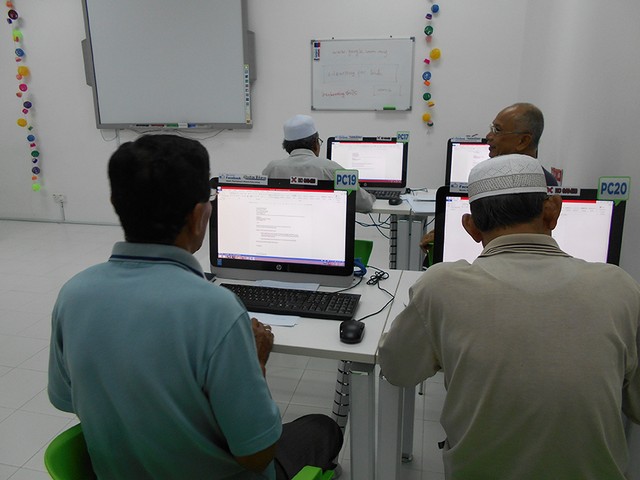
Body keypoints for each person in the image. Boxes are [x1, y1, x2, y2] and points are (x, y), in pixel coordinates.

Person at [48, 134, 342, 480]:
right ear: (201, 215)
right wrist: (256, 364)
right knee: (321, 427)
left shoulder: (73, 294)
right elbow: (256, 454)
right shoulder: (217, 310)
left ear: (115, 202)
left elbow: (66, 400)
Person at [379, 154, 640, 479]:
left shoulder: (440, 286)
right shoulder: (621, 287)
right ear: (553, 211)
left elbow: (396, 369)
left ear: (471, 227)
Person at [420, 102, 557, 254]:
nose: (488, 136)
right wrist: (444, 234)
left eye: (497, 130)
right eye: (491, 129)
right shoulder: (489, 177)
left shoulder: (543, 185)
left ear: (523, 141)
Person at [262, 114, 376, 213]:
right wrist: (372, 196)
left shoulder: (272, 168)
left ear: (287, 147)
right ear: (315, 143)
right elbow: (364, 204)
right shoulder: (332, 169)